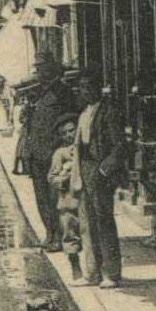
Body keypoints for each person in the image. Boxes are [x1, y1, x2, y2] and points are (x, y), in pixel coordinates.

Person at [15, 61, 76, 251]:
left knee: (54, 198)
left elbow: (72, 118)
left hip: (52, 153)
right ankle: (49, 233)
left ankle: (59, 236)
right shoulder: (36, 92)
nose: (39, 73)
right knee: (41, 197)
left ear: (53, 71)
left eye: (43, 70)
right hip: (35, 154)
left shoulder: (63, 92)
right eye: (38, 70)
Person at [78, 85, 126, 287]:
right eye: (83, 86)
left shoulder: (108, 111)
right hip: (86, 167)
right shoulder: (85, 111)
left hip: (100, 170)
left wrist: (105, 169)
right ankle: (94, 271)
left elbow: (119, 145)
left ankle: (111, 273)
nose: (84, 90)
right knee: (89, 221)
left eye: (88, 85)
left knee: (104, 220)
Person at [47, 116, 86, 281]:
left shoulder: (84, 149)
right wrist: (65, 178)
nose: (69, 135)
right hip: (68, 201)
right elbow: (52, 177)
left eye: (72, 130)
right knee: (70, 233)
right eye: (65, 133)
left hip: (84, 199)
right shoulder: (60, 153)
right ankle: (75, 265)